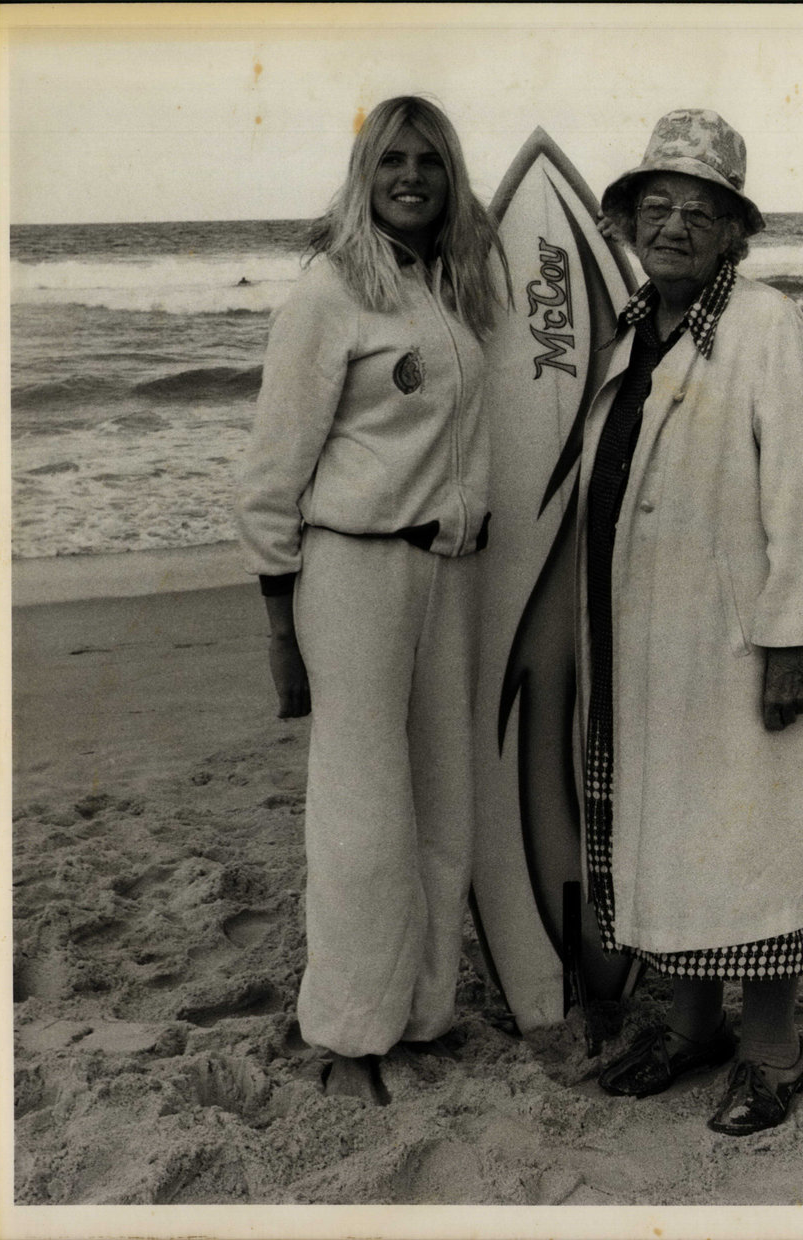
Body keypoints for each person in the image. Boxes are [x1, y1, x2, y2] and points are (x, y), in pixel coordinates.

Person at [578, 109, 803, 1135]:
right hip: (650, 649)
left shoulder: (765, 326)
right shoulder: (632, 332)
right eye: (654, 207)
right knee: (676, 840)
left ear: (733, 233)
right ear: (624, 222)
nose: (672, 226)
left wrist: (793, 640)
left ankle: (773, 1050)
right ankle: (695, 1029)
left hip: (741, 643)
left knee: (758, 842)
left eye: (698, 212)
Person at [236, 96, 510, 1104]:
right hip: (350, 572)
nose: (411, 177)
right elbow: (273, 468)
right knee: (361, 812)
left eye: (430, 163)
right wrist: (278, 621)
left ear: (451, 177)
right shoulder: (328, 292)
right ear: (365, 170)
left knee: (444, 798)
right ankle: (349, 1036)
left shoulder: (449, 285)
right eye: (393, 160)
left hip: (449, 569)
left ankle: (426, 1014)